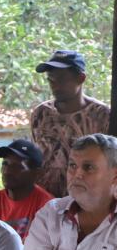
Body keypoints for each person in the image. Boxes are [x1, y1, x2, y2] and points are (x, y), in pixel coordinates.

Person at [30, 50, 111, 197]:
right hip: (45, 202)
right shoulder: (41, 114)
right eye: (51, 80)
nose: (55, 85)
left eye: (61, 79)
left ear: (81, 78)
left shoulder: (102, 115)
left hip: (88, 199)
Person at [0, 139, 52, 241]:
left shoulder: (47, 207)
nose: (7, 171)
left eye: (17, 166)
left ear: (37, 174)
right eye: (5, 164)